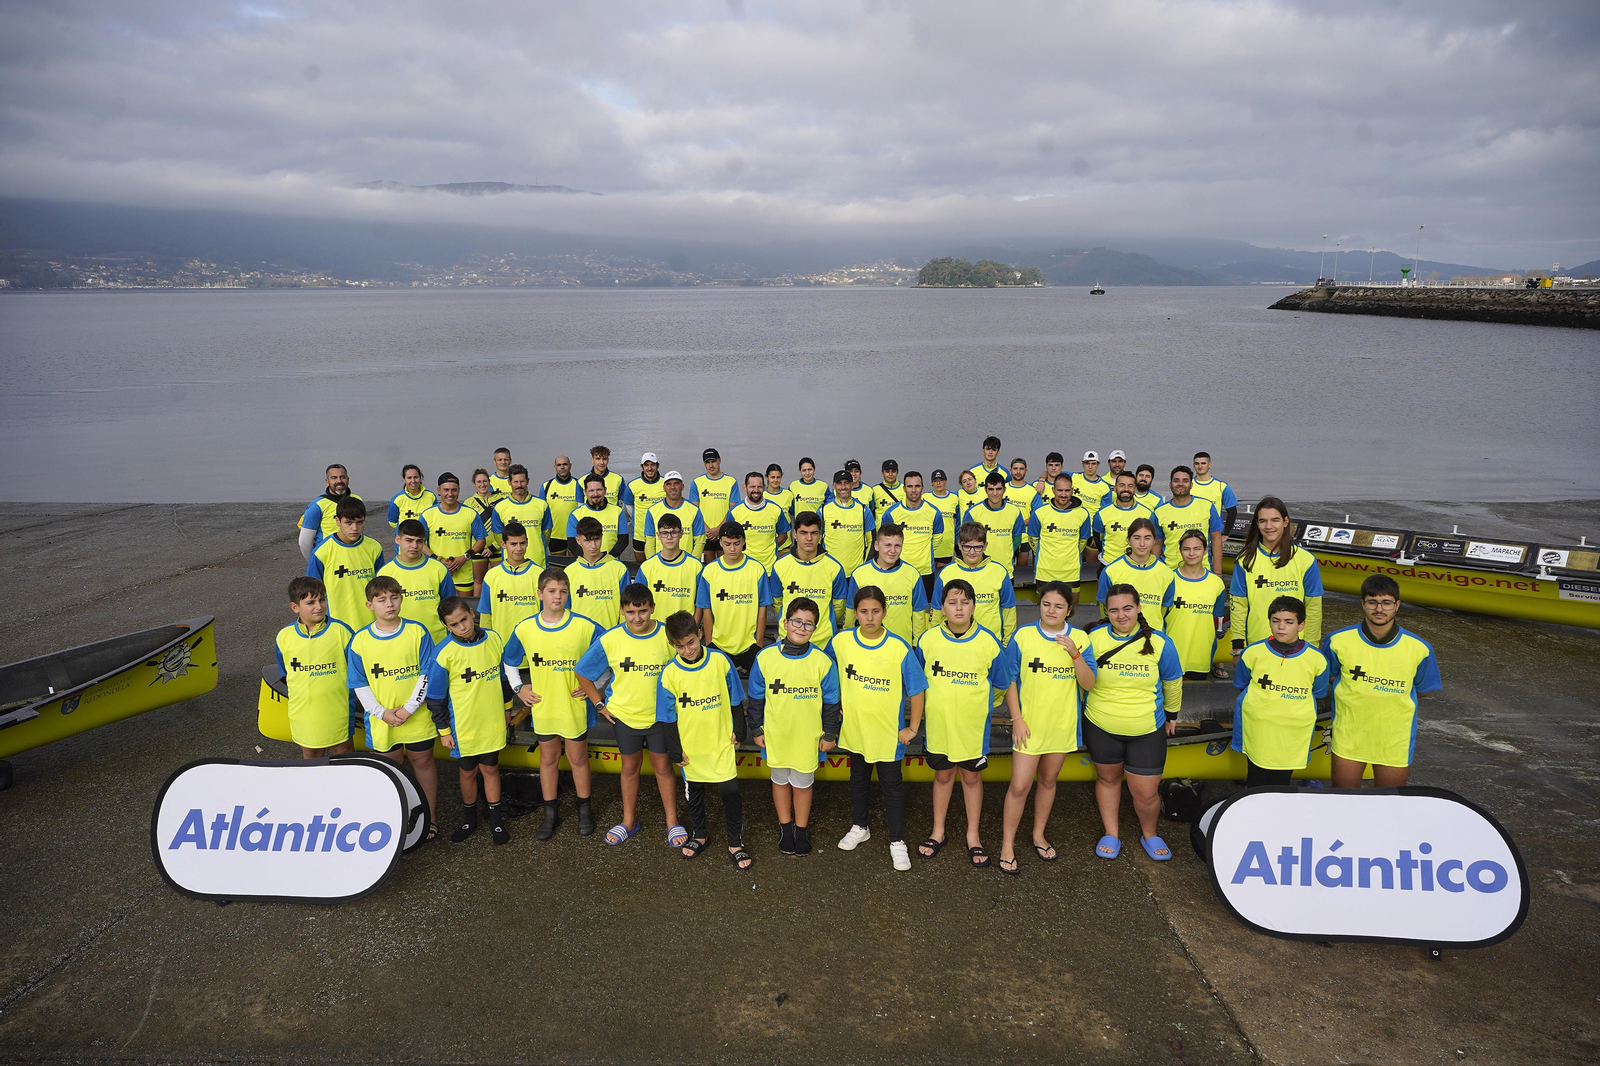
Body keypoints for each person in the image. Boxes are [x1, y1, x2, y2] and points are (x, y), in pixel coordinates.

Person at [916, 579, 1016, 870]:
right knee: (944, 777)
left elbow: (1001, 683)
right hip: (939, 727)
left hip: (973, 729)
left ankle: (973, 835)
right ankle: (938, 831)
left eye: (965, 602)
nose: (958, 608)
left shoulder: (988, 642)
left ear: (974, 606)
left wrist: (978, 705)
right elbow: (917, 682)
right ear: (942, 607)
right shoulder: (928, 640)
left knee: (971, 778)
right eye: (952, 602)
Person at [575, 585, 683, 847]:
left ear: (653, 608)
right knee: (629, 768)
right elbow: (583, 671)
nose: (637, 618)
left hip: (660, 718)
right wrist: (600, 705)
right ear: (622, 610)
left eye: (643, 611)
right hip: (624, 717)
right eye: (631, 612)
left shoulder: (666, 636)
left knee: (663, 769)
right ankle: (628, 821)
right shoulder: (610, 639)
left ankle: (672, 822)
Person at [830, 586, 928, 872]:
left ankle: (897, 840)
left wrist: (912, 727)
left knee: (892, 787)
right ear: (855, 613)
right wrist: (833, 703)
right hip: (857, 730)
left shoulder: (898, 646)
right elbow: (824, 671)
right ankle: (861, 826)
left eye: (875, 611)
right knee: (858, 779)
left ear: (885, 612)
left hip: (889, 734)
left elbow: (918, 689)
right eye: (863, 611)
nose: (869, 618)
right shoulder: (841, 642)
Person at [1082, 585, 1183, 861]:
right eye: (1114, 610)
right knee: (1108, 779)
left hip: (1146, 729)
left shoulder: (1161, 643)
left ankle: (1149, 833)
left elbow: (1173, 682)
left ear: (1139, 608)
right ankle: (1111, 833)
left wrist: (1172, 715)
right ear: (1107, 612)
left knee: (1146, 793)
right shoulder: (1093, 637)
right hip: (1101, 725)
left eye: (1127, 608)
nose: (1121, 615)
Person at [1000, 581, 1095, 874]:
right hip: (1030, 725)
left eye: (1059, 606)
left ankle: (1038, 834)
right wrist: (1017, 719)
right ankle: (1007, 844)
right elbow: (1009, 680)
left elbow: (1089, 683)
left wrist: (1074, 654)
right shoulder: (1023, 636)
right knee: (1019, 785)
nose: (1051, 610)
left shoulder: (1079, 638)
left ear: (1069, 610)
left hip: (1061, 724)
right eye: (1046, 604)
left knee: (1049, 780)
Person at [503, 567, 603, 839]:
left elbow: (610, 655)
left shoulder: (585, 625)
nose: (557, 597)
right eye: (551, 591)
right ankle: (551, 814)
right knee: (547, 759)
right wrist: (518, 688)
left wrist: (596, 689)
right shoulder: (524, 628)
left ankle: (584, 811)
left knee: (578, 758)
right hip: (544, 706)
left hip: (573, 707)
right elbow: (509, 661)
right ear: (539, 594)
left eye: (562, 591)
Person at [1324, 575, 1443, 789]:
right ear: (1362, 604)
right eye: (1372, 602)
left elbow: (1423, 689)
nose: (1379, 609)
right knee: (1342, 799)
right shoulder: (1337, 640)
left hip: (1394, 738)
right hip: (1349, 734)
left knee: (1390, 802)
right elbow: (1329, 677)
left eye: (1386, 602)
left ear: (1397, 605)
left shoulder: (1420, 648)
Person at [748, 597, 842, 857]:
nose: (801, 628)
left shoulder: (823, 662)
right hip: (776, 734)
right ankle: (785, 828)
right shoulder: (765, 657)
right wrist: (756, 729)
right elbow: (756, 698)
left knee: (802, 785)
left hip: (807, 737)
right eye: (797, 621)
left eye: (809, 624)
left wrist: (830, 733)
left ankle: (801, 830)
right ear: (785, 622)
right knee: (780, 782)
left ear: (815, 628)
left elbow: (832, 702)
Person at [348, 575, 439, 841]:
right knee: (390, 769)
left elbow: (426, 673)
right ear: (369, 605)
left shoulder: (417, 632)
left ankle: (430, 818)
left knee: (423, 762)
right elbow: (358, 683)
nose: (390, 604)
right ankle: (393, 819)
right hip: (382, 721)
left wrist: (410, 708)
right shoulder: (360, 640)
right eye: (382, 599)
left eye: (395, 597)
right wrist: (381, 712)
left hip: (416, 715)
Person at [656, 611, 750, 869]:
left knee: (730, 793)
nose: (686, 650)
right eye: (679, 646)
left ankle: (735, 843)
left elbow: (735, 696)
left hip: (720, 742)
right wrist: (675, 750)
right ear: (671, 644)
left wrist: (739, 730)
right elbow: (667, 717)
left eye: (690, 642)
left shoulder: (720, 660)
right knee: (694, 794)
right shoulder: (669, 673)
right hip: (691, 747)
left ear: (699, 635)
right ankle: (700, 834)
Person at [427, 597, 512, 845]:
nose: (462, 627)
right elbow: (435, 698)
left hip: (492, 721)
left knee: (491, 769)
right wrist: (444, 731)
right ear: (447, 627)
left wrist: (507, 710)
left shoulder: (494, 639)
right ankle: (469, 819)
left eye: (464, 619)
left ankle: (496, 821)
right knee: (467, 772)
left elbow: (504, 679)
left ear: (471, 613)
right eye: (454, 625)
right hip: (463, 726)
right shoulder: (443, 653)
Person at [1231, 596, 1332, 787]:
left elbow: (1318, 692)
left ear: (1301, 625)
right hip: (1259, 730)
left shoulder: (1317, 659)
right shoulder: (1253, 653)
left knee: (1282, 783)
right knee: (1256, 781)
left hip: (1292, 733)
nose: (1281, 627)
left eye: (1289, 622)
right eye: (1275, 621)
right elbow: (1242, 684)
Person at [1230, 496, 1324, 669]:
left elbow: (1313, 607)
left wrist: (1312, 647)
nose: (1269, 526)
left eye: (1275, 520)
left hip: (1297, 649)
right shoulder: (1245, 560)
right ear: (1257, 524)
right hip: (1257, 646)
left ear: (1286, 521)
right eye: (1263, 521)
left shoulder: (1306, 560)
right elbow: (1238, 606)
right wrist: (1237, 647)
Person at [274, 576, 357, 758]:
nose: (318, 606)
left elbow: (357, 671)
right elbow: (285, 673)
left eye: (322, 600)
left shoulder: (342, 631)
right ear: (295, 607)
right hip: (303, 712)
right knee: (311, 756)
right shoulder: (284, 636)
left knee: (343, 753)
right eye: (310, 602)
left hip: (337, 710)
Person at [695, 523, 772, 714]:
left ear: (743, 542)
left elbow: (762, 608)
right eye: (727, 543)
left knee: (760, 691)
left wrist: (759, 642)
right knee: (717, 693)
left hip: (749, 643)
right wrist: (710, 641)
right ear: (720, 542)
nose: (732, 548)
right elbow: (706, 610)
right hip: (720, 644)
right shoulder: (710, 571)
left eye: (737, 543)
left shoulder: (756, 569)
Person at [768, 511, 849, 649]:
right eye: (803, 532)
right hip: (789, 638)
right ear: (794, 534)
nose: (809, 538)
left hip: (824, 641)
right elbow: (777, 602)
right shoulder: (780, 565)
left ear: (821, 534)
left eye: (814, 533)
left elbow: (839, 606)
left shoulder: (834, 567)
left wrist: (822, 625)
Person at [306, 496, 385, 630]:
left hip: (371, 625)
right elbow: (311, 593)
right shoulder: (322, 552)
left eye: (359, 522)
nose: (354, 528)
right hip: (335, 626)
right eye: (348, 522)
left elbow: (382, 588)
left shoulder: (374, 548)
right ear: (337, 521)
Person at [845, 522, 930, 644]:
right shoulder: (859, 574)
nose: (892, 550)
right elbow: (850, 613)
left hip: (902, 645)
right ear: (876, 545)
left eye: (897, 546)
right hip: (866, 644)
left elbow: (919, 614)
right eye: (887, 545)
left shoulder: (913, 574)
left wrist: (917, 644)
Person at [934, 523, 1018, 646]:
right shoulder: (946, 573)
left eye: (978, 547)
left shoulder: (999, 571)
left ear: (985, 546)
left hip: (992, 643)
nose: (972, 552)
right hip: (954, 642)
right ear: (959, 545)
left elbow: (1009, 610)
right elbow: (937, 610)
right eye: (967, 547)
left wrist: (1007, 643)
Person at [377, 519, 455, 642]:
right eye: (409, 540)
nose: (414, 546)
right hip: (401, 640)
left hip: (437, 639)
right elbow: (380, 612)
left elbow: (451, 605)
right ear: (398, 540)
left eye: (419, 541)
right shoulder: (385, 573)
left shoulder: (439, 569)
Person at [1165, 531, 1229, 680]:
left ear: (1206, 550)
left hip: (1200, 656)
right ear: (1180, 551)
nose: (1191, 553)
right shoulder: (1168, 579)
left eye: (1197, 548)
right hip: (1172, 655)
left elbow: (1216, 620)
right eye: (1186, 549)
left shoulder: (1216, 583)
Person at [1097, 518, 1176, 631]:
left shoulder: (1167, 573)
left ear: (1154, 540)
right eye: (1136, 538)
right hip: (1121, 639)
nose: (1142, 543)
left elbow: (1164, 610)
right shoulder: (1110, 571)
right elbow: (1104, 609)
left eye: (1147, 538)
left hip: (1153, 638)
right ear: (1128, 540)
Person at [1027, 474, 1090, 611]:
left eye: (1067, 490)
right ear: (1053, 490)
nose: (1063, 494)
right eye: (1060, 490)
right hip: (1045, 571)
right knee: (1046, 612)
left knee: (1072, 611)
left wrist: (1069, 555)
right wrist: (1045, 553)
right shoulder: (1040, 512)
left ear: (1072, 490)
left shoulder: (1083, 514)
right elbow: (1033, 539)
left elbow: (1083, 541)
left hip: (1071, 571)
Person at [420, 473, 486, 598]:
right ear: (439, 491)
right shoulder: (428, 515)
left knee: (465, 609)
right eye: (446, 490)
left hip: (464, 573)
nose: (450, 494)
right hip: (436, 570)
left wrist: (464, 557)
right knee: (438, 610)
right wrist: (437, 559)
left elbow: (481, 540)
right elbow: (420, 543)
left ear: (459, 491)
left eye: (454, 490)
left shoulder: (470, 513)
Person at [629, 513, 703, 621]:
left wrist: (693, 629)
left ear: (681, 534)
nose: (669, 537)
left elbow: (701, 604)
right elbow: (638, 603)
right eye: (665, 533)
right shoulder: (647, 567)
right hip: (654, 630)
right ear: (658, 535)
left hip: (684, 632)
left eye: (674, 532)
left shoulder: (696, 566)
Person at [883, 471, 946, 596]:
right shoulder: (891, 513)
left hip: (925, 572)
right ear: (904, 488)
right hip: (898, 570)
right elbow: (884, 541)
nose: (913, 490)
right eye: (910, 486)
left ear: (922, 488)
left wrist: (924, 551)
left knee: (924, 611)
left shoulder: (934, 512)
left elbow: (938, 538)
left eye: (917, 486)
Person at [1154, 466, 1224, 576]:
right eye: (1176, 480)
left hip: (1203, 571)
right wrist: (1155, 572)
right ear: (1170, 484)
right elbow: (1157, 545)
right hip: (1170, 572)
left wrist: (1218, 571)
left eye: (1185, 481)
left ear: (1191, 485)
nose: (1180, 484)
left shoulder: (1206, 506)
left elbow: (1216, 539)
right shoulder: (1160, 512)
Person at [477, 521, 541, 642]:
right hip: (501, 645)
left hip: (534, 644)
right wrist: (487, 642)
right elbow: (486, 614)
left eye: (522, 543)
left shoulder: (540, 574)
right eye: (513, 544)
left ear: (527, 542)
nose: (519, 548)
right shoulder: (491, 576)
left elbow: (546, 612)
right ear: (503, 544)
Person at [566, 517, 631, 631]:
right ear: (578, 540)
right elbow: (565, 609)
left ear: (602, 537)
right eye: (587, 540)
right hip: (579, 637)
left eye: (596, 539)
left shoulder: (619, 569)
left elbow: (627, 607)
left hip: (611, 636)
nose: (593, 546)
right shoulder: (569, 572)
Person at [963, 472, 1027, 577]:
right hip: (979, 571)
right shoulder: (973, 512)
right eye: (991, 489)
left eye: (998, 489)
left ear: (1004, 490)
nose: (995, 493)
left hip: (1006, 571)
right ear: (985, 490)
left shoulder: (1015, 511)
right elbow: (965, 542)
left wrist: (1006, 553)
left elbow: (1017, 540)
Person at [726, 471, 791, 572]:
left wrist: (769, 547)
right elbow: (729, 540)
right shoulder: (734, 512)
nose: (756, 490)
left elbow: (783, 536)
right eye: (752, 487)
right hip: (744, 568)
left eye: (759, 487)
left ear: (764, 488)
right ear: (745, 487)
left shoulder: (775, 510)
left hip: (769, 569)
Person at [491, 464, 552, 571]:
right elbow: (499, 536)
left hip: (538, 563)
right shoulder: (500, 507)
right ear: (509, 482)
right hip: (510, 565)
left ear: (527, 481)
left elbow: (546, 534)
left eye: (522, 481)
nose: (519, 485)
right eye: (515, 482)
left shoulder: (541, 505)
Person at [1091, 472, 1157, 565]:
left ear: (1135, 489)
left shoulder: (1148, 514)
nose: (1126, 489)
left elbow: (1153, 541)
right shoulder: (1101, 514)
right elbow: (1098, 539)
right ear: (1115, 488)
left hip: (1138, 565)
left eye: (1130, 486)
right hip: (1109, 564)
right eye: (1122, 485)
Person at [299, 463, 360, 559]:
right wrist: (314, 563)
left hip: (354, 555)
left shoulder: (357, 500)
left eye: (342, 477)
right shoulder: (317, 506)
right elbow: (304, 542)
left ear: (348, 480)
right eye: (334, 478)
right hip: (328, 558)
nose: (339, 481)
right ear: (327, 481)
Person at [690, 448, 742, 561]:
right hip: (704, 533)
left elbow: (733, 509)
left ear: (719, 460)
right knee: (708, 568)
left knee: (725, 565)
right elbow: (693, 510)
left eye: (713, 461)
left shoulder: (731, 481)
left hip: (725, 532)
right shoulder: (697, 482)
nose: (711, 465)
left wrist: (719, 529)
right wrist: (707, 530)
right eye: (707, 462)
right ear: (704, 464)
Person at [820, 469, 876, 572]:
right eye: (839, 483)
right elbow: (817, 541)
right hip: (830, 571)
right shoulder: (823, 510)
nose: (843, 487)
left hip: (856, 572)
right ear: (834, 486)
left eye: (846, 483)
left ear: (852, 485)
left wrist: (864, 567)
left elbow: (872, 542)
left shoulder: (864, 510)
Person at [643, 470, 706, 559]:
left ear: (682, 486)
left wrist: (692, 563)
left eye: (676, 483)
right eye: (668, 484)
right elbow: (649, 541)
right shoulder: (652, 511)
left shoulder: (694, 510)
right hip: (660, 564)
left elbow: (700, 541)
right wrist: (652, 562)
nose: (673, 487)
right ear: (664, 488)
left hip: (686, 564)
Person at [567, 473, 630, 559]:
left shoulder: (617, 512)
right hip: (586, 565)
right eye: (591, 490)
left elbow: (623, 541)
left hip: (611, 562)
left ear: (605, 490)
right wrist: (590, 561)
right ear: (585, 492)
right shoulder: (575, 515)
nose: (595, 494)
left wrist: (607, 559)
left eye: (599, 489)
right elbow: (572, 544)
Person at [466, 468, 503, 593]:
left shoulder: (500, 500)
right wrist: (479, 548)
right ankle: (477, 611)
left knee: (498, 581)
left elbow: (504, 526)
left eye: (485, 481)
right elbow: (468, 529)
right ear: (474, 484)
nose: (482, 484)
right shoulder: (468, 503)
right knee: (479, 580)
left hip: (497, 548)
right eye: (479, 482)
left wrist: (494, 547)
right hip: (478, 550)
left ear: (489, 481)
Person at [627, 453, 668, 561]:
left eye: (653, 465)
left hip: (662, 533)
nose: (650, 468)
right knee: (641, 567)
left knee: (662, 564)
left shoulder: (666, 483)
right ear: (642, 467)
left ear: (657, 466)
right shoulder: (632, 485)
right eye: (647, 465)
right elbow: (628, 506)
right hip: (640, 534)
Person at [542, 456, 583, 559]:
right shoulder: (546, 486)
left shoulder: (579, 485)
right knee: (558, 568)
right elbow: (541, 512)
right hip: (555, 535)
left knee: (575, 566)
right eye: (559, 465)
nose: (562, 467)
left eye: (565, 464)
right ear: (555, 467)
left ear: (570, 466)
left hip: (575, 533)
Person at [1190, 452, 1239, 536]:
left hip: (1214, 535)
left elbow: (1232, 512)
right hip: (1191, 533)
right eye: (1197, 463)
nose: (1200, 466)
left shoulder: (1221, 486)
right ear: (1193, 465)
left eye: (1203, 463)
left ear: (1210, 465)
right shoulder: (1188, 485)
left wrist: (1226, 534)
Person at [386, 464, 435, 536]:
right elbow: (392, 522)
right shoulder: (397, 500)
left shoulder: (431, 496)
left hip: (425, 540)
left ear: (420, 478)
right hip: (404, 541)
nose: (413, 481)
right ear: (404, 479)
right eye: (409, 478)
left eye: (416, 477)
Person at [927, 469, 961, 572]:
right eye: (935, 480)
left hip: (947, 547)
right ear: (932, 483)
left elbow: (959, 521)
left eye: (941, 480)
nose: (938, 483)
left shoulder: (954, 498)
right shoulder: (925, 498)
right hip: (930, 546)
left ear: (945, 481)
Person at [1076, 451, 1115, 519]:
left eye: (1093, 464)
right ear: (1083, 464)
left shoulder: (1105, 487)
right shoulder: (1073, 477)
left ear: (1098, 465)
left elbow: (1105, 512)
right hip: (1074, 521)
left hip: (1092, 525)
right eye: (1087, 463)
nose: (1090, 467)